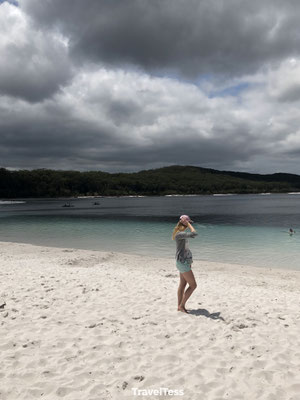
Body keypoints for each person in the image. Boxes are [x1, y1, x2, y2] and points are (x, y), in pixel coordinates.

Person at [172, 215, 198, 313]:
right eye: (187, 223)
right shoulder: (179, 234)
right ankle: (181, 306)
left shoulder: (181, 234)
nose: (188, 225)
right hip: (182, 263)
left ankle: (180, 306)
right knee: (193, 285)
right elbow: (194, 234)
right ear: (183, 223)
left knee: (183, 284)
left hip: (183, 262)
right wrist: (188, 224)